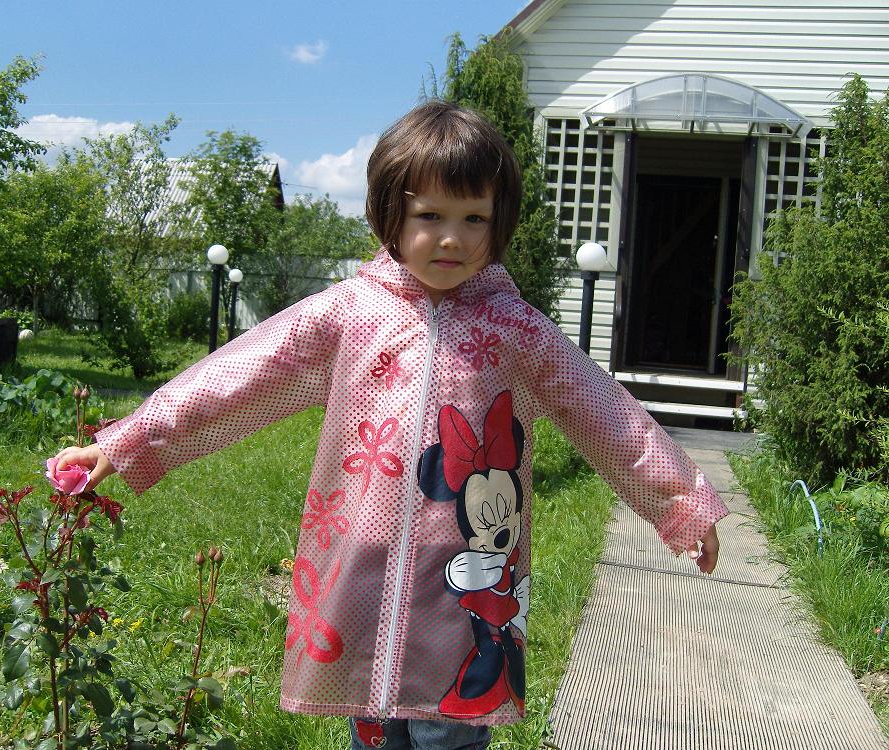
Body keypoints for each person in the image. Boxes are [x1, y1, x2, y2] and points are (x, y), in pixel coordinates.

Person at [55, 100, 727, 750]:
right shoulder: (349, 313)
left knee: (448, 732)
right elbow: (238, 377)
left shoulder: (517, 330)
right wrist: (130, 440)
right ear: (389, 214)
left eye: (474, 218)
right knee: (372, 728)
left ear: (499, 223)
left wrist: (681, 503)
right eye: (429, 214)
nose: (452, 237)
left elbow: (605, 413)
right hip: (364, 570)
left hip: (466, 583)